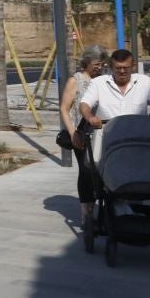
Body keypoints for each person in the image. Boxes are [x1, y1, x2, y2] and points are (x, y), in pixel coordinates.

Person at [79, 48, 150, 159]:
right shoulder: (98, 83)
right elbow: (84, 104)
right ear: (111, 67)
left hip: (137, 139)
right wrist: (90, 118)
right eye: (118, 68)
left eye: (126, 68)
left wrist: (149, 120)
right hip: (107, 140)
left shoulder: (146, 82)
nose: (122, 71)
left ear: (133, 66)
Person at [58, 46, 110, 228]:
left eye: (102, 64)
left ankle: (105, 209)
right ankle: (86, 213)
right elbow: (64, 108)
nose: (100, 67)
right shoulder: (76, 80)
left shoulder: (104, 80)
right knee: (86, 172)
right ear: (86, 62)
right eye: (96, 64)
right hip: (82, 134)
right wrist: (73, 133)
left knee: (104, 171)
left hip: (102, 132)